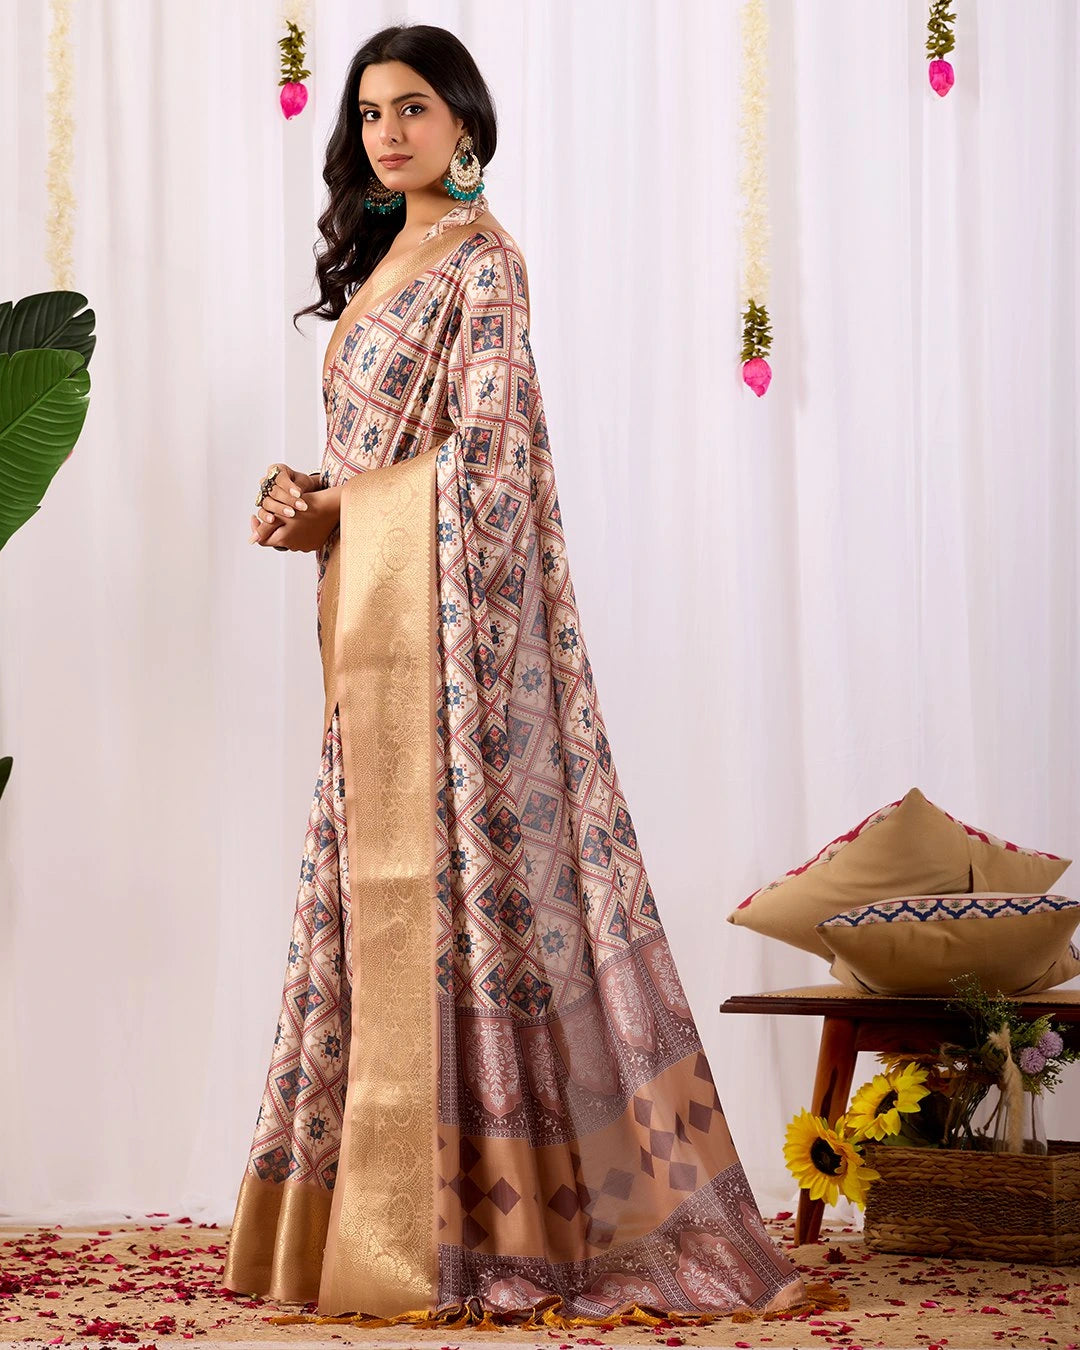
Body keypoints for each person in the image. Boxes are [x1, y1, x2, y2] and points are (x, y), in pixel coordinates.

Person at [223, 22, 807, 1326]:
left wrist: (342, 515)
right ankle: (366, 1225)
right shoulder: (387, 253)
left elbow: (488, 468)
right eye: (369, 112)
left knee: (467, 906)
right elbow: (387, 455)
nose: (387, 132)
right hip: (374, 634)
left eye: (413, 108)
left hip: (452, 656)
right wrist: (306, 495)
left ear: (466, 126)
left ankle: (485, 1230)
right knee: (369, 900)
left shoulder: (486, 260)